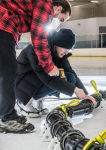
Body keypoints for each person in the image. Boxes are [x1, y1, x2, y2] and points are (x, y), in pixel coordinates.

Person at [0, 0, 71, 134]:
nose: (58, 22)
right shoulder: (46, 4)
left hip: (5, 26)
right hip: (3, 25)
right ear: (58, 9)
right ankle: (6, 117)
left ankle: (8, 114)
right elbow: (38, 37)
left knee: (6, 71)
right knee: (8, 72)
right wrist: (49, 67)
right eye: (61, 19)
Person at [15, 28, 96, 118]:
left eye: (69, 50)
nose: (66, 52)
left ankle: (38, 99)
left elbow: (70, 72)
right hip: (21, 83)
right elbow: (47, 79)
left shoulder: (59, 53)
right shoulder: (38, 49)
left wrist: (85, 94)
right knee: (61, 79)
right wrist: (74, 89)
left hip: (35, 80)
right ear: (57, 43)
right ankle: (24, 101)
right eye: (65, 48)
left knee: (70, 78)